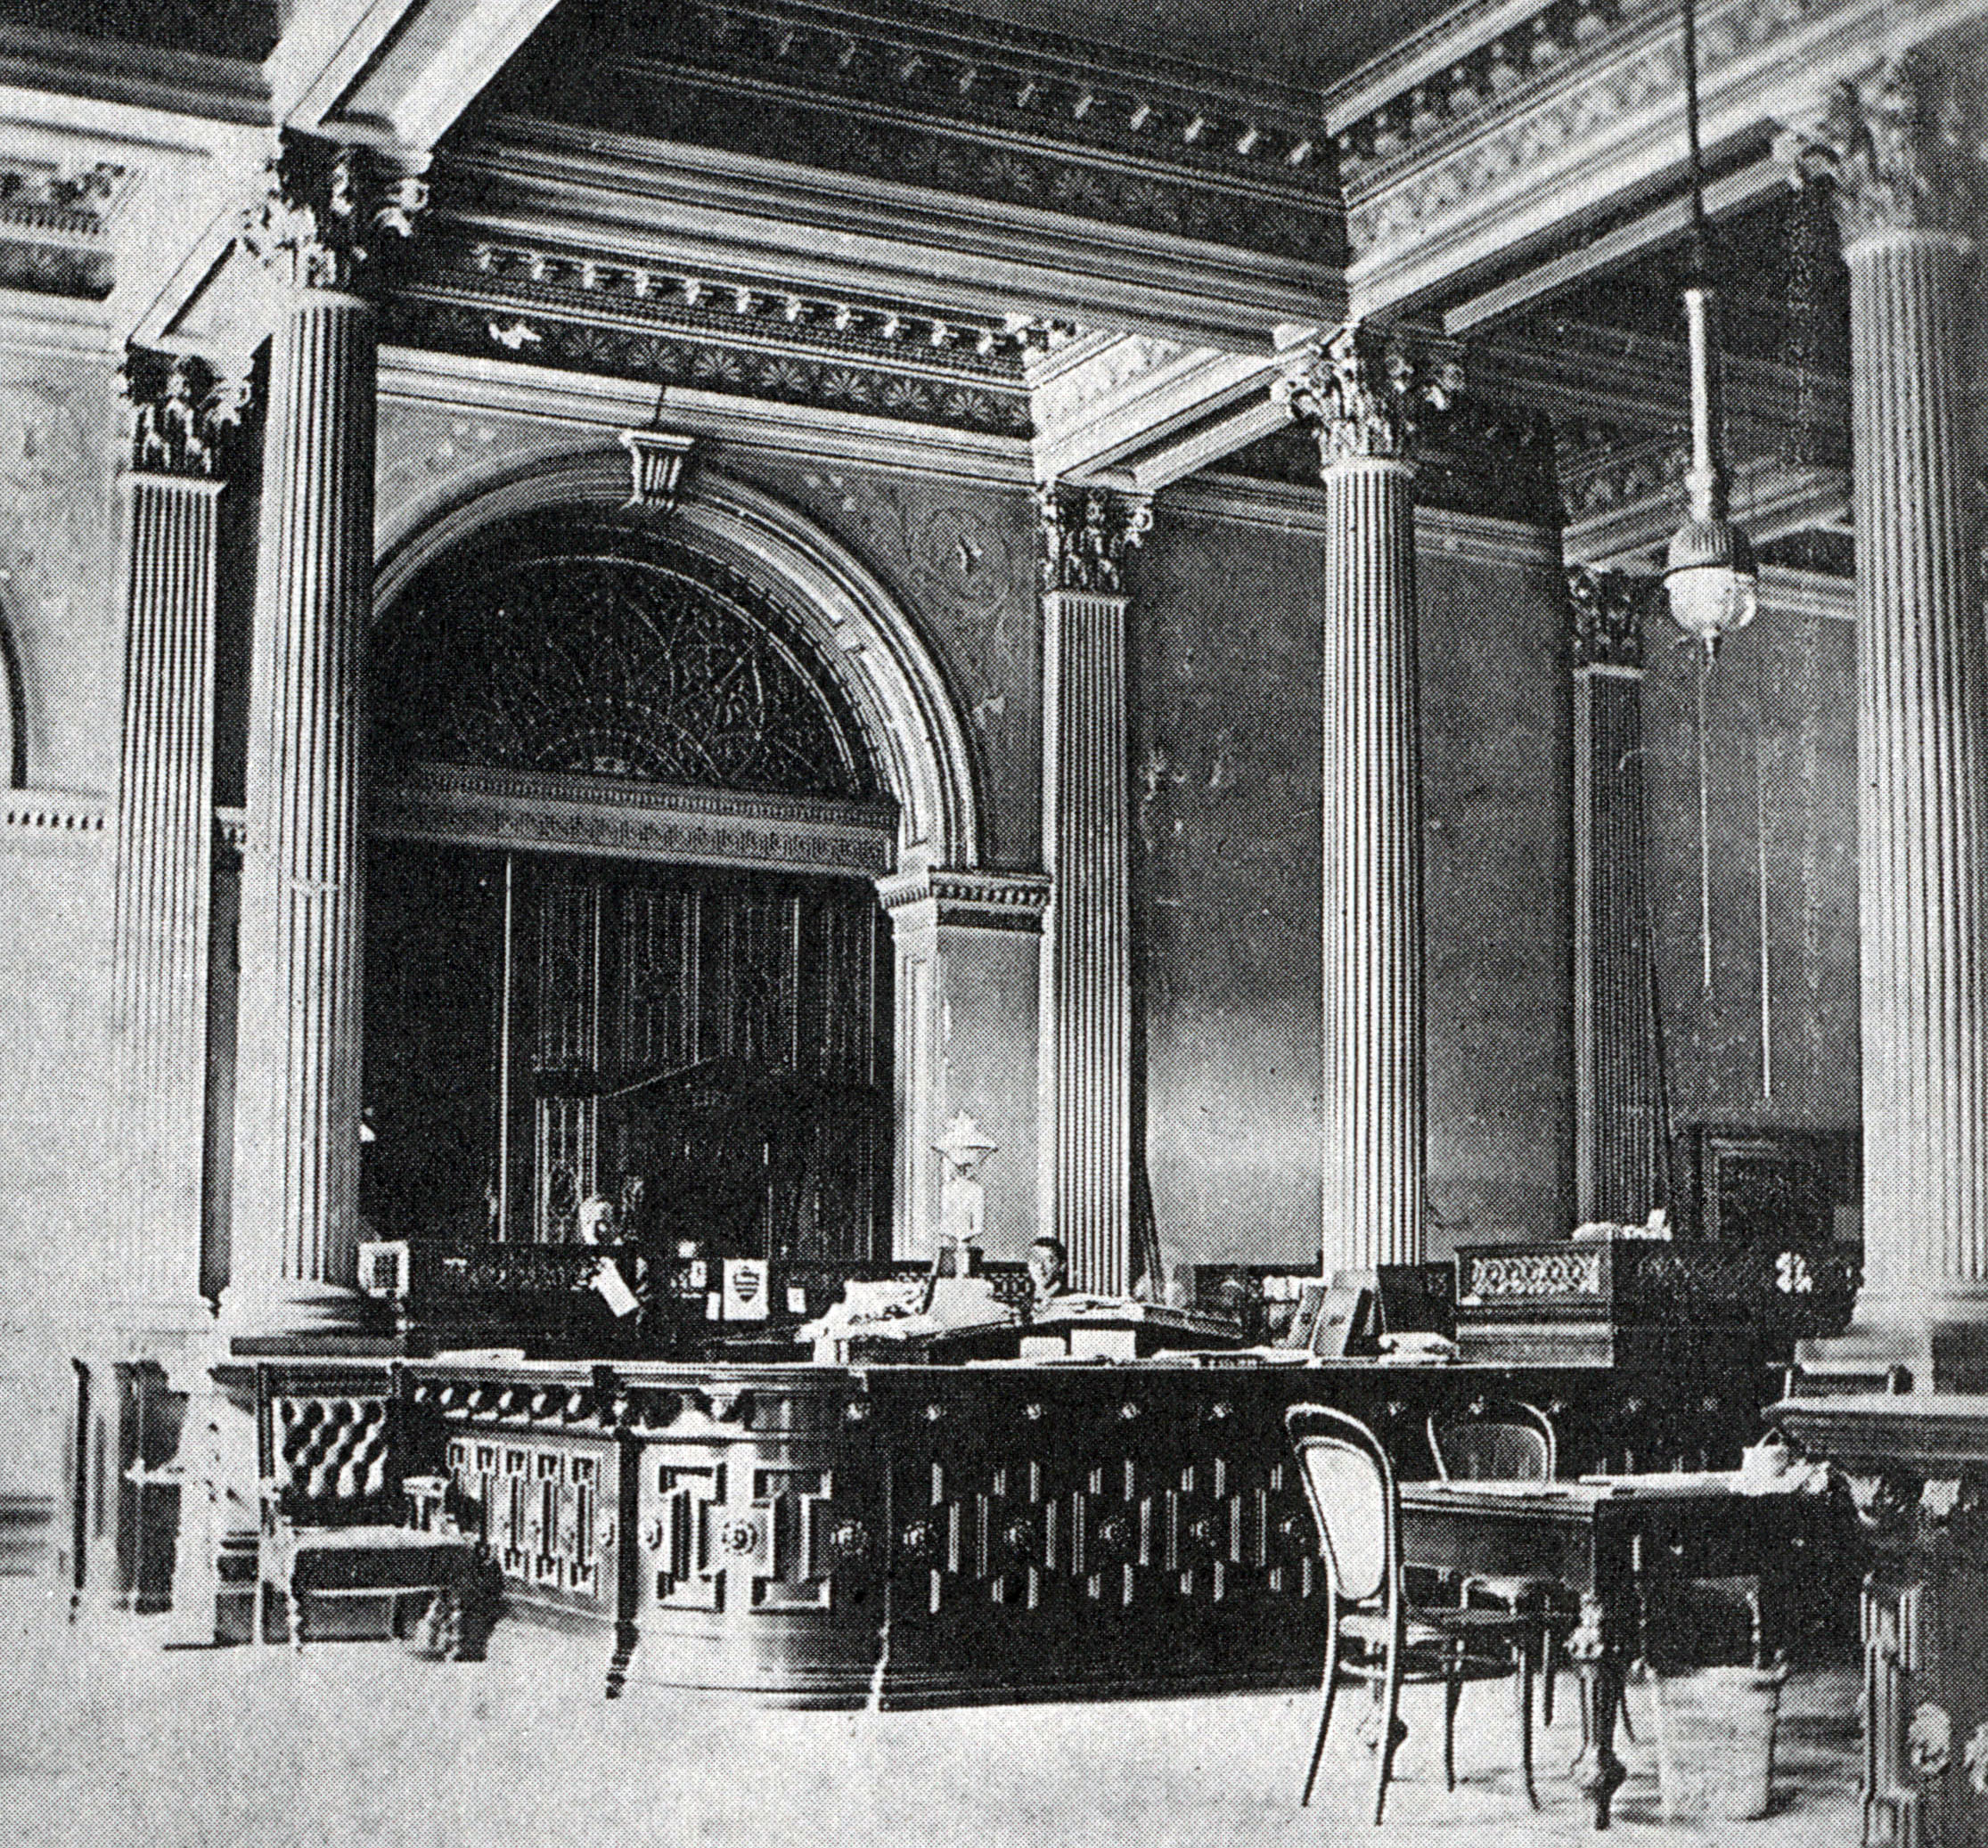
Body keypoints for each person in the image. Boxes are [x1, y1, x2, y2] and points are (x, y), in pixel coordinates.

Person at [1027, 1235, 1070, 1312]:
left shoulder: (1073, 1301)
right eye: (1035, 1260)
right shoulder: (1022, 1303)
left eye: (1049, 1261)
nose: (1040, 1266)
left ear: (1061, 1266)